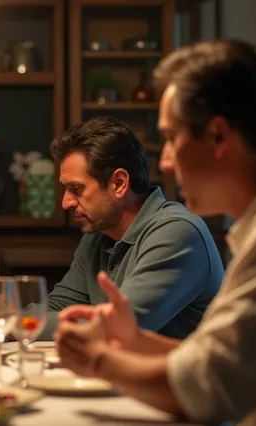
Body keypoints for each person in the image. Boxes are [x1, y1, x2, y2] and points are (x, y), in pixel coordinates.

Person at [54, 39, 256, 426]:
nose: (164, 159)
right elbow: (213, 356)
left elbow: (212, 385)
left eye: (171, 137)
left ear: (218, 136)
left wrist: (98, 359)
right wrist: (133, 338)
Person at [39, 116, 223, 340]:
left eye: (76, 189)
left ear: (119, 184)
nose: (66, 203)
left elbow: (115, 328)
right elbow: (55, 308)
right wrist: (16, 320)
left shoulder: (178, 232)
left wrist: (12, 321)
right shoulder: (97, 237)